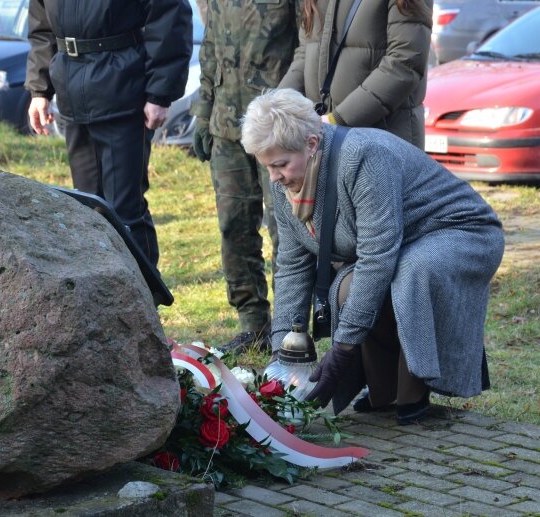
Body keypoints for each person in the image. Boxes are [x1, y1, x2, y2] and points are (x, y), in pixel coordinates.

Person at [241, 89, 504, 424]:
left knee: (409, 270)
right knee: (348, 288)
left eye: (280, 165)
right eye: (267, 167)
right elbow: (292, 267)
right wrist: (282, 357)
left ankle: (414, 391)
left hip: (463, 232)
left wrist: (342, 351)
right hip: (404, 241)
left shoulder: (363, 157)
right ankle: (385, 391)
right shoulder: (284, 186)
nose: (274, 178)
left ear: (310, 143)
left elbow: (377, 258)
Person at [25, 0, 193, 267]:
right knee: (87, 208)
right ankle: (102, 296)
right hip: (72, 95)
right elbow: (41, 27)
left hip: (124, 93)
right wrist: (40, 89)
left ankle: (146, 298)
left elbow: (169, 18)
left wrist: (160, 94)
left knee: (126, 211)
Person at [190, 0, 300, 353]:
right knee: (233, 225)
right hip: (226, 124)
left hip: (275, 124)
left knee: (285, 227)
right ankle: (252, 322)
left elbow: (307, 45)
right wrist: (203, 109)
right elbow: (210, 47)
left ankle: (289, 325)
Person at [279, 0, 431, 149]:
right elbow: (305, 54)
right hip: (327, 138)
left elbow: (404, 63)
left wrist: (338, 119)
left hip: (384, 143)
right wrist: (274, 107)